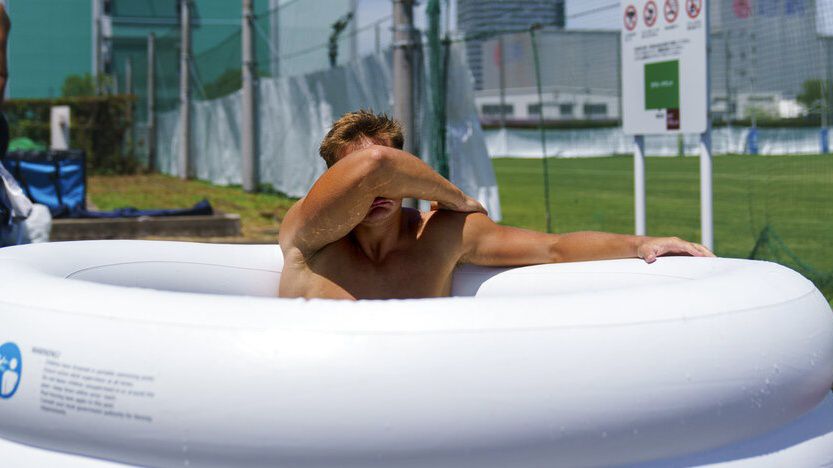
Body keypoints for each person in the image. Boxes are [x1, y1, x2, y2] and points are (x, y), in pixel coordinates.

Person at [278, 110, 713, 300]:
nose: (376, 188)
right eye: (353, 182)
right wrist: (454, 197)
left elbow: (555, 248)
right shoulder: (308, 236)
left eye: (394, 180)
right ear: (329, 183)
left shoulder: (441, 235)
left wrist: (641, 244)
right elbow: (376, 163)